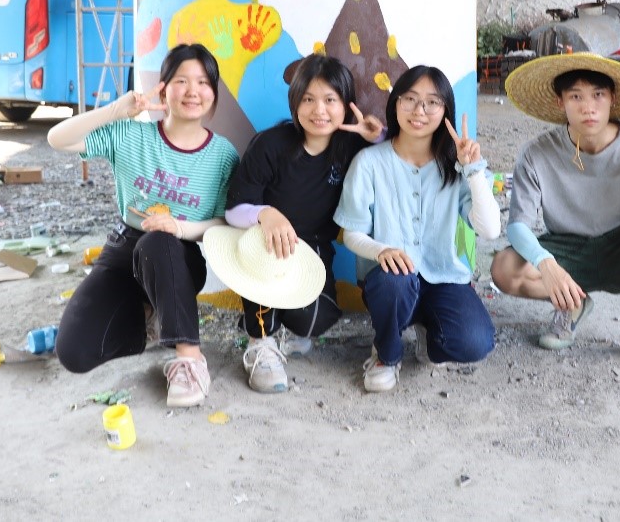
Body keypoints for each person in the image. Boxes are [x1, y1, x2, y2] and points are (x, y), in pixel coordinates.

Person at [47, 43, 238, 407]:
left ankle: (190, 359)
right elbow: (57, 139)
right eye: (181, 80)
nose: (192, 91)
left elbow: (222, 223)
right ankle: (151, 319)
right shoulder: (131, 136)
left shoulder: (222, 155)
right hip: (125, 248)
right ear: (163, 90)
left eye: (203, 82)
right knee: (74, 352)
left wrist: (179, 227)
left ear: (213, 94)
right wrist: (115, 111)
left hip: (178, 256)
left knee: (158, 242)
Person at [490, 53, 620, 375]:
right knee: (504, 268)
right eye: (576, 96)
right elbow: (518, 225)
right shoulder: (536, 152)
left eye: (598, 95)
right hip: (567, 249)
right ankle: (572, 303)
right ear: (560, 102)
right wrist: (546, 264)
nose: (588, 107)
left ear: (612, 98)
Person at [222, 54, 385, 393]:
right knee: (265, 259)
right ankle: (260, 342)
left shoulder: (351, 147)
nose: (319, 110)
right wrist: (266, 214)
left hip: (313, 250)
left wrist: (377, 138)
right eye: (308, 99)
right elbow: (234, 210)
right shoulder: (271, 144)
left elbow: (393, 164)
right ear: (295, 102)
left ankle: (283, 323)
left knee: (317, 319)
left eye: (330, 100)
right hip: (265, 245)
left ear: (346, 105)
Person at [333, 65, 501, 393]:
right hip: (390, 282)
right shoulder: (369, 162)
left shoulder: (457, 166)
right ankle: (386, 354)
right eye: (409, 99)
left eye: (432, 102)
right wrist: (381, 250)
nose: (419, 111)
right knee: (395, 280)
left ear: (445, 110)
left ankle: (429, 335)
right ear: (395, 103)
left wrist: (473, 171)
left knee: (474, 342)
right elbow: (352, 233)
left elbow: (491, 229)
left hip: (444, 277)